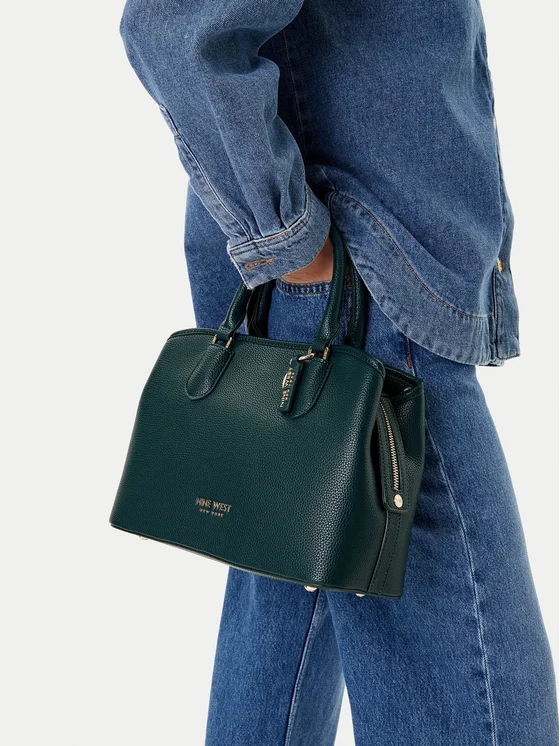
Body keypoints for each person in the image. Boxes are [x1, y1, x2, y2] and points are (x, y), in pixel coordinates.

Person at [118, 1, 558, 743]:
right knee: (478, 693)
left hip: (353, 277)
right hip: (366, 289)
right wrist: (290, 240)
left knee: (284, 607)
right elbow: (173, 25)